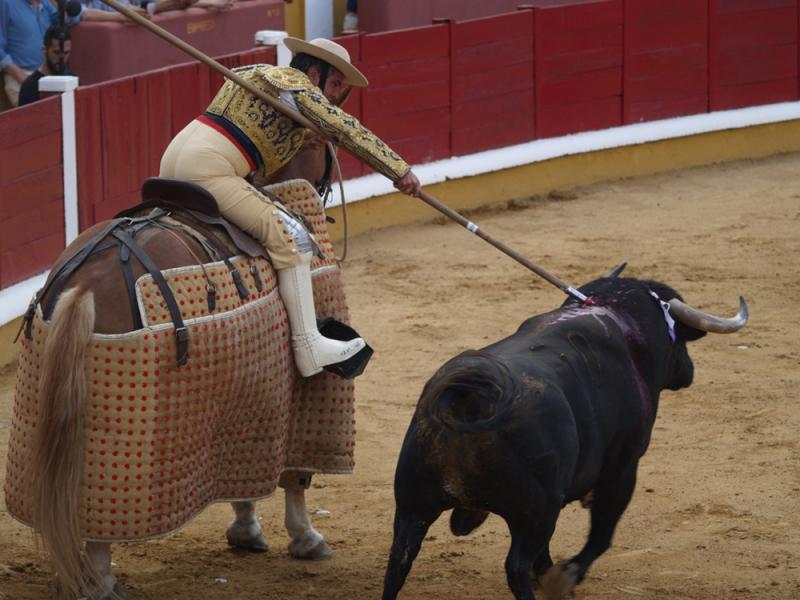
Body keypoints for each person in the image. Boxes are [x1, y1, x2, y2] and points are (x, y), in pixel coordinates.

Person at [160, 37, 421, 377]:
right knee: (291, 236)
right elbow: (347, 129)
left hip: (173, 159)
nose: (335, 96)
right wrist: (399, 170)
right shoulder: (296, 86)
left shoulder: (258, 74)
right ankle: (309, 344)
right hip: (209, 170)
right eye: (335, 84)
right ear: (314, 73)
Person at [0, 0, 81, 107]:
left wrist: (64, 7)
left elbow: (67, 21)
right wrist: (22, 77)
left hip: (47, 73)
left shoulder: (45, 3)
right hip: (20, 74)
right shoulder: (6, 3)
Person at [17, 24, 71, 105]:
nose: (62, 59)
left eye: (66, 53)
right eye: (57, 52)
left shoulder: (73, 79)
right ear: (45, 50)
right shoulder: (30, 87)